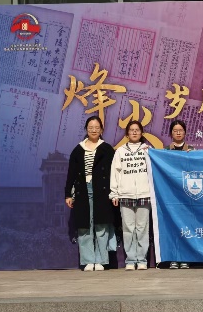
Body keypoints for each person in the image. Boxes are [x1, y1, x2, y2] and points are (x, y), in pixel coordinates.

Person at [65, 116, 115, 271]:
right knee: (84, 226)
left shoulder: (107, 149)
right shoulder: (78, 150)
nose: (94, 130)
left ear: (101, 130)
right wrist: (68, 194)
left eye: (97, 127)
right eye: (91, 127)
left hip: (102, 191)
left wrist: (114, 192)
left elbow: (114, 173)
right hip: (83, 191)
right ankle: (87, 260)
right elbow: (71, 174)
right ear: (86, 129)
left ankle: (101, 260)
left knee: (101, 226)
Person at [110, 121, 151, 271]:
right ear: (127, 133)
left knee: (142, 228)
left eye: (137, 130)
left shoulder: (147, 150)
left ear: (141, 133)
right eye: (131, 130)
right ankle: (130, 260)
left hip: (144, 194)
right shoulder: (120, 151)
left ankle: (142, 260)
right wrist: (114, 193)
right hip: (125, 195)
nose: (134, 132)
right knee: (128, 229)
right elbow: (115, 173)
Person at [165, 119, 193, 269]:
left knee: (187, 227)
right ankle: (174, 258)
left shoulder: (191, 150)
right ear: (171, 133)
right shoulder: (165, 151)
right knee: (173, 227)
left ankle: (186, 258)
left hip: (187, 195)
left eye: (180, 130)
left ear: (185, 132)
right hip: (171, 195)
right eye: (175, 131)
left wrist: (192, 157)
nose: (178, 133)